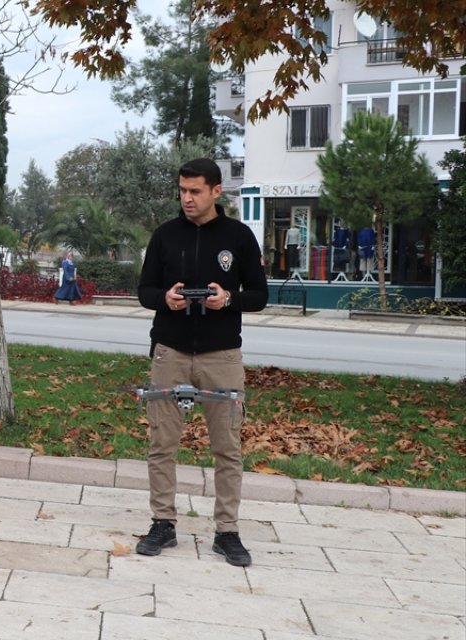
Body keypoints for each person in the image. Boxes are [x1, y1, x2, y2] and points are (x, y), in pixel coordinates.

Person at [135, 158, 268, 566]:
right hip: (171, 353)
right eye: (182, 190)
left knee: (227, 449)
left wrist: (229, 299)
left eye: (194, 191)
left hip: (222, 356)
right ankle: (163, 523)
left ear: (216, 191)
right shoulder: (165, 236)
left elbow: (260, 296)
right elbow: (145, 290)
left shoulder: (239, 237)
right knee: (162, 445)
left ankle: (227, 532)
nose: (187, 198)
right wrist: (165, 299)